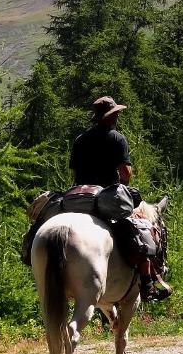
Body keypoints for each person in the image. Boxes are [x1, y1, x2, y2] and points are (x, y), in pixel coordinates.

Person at [69, 96, 171, 301]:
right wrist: (120, 187)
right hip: (106, 197)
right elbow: (125, 173)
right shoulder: (117, 138)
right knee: (140, 232)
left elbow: (74, 173)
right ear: (108, 116)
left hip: (79, 196)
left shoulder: (80, 139)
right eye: (114, 113)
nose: (117, 115)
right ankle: (148, 285)